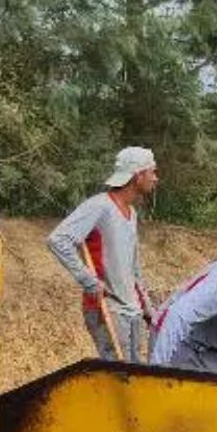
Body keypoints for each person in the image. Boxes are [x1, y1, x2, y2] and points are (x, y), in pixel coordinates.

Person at [47, 146, 159, 362]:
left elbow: (133, 267)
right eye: (152, 172)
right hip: (108, 308)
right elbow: (58, 240)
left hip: (132, 311)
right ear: (137, 176)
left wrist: (146, 306)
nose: (156, 178)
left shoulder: (132, 213)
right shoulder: (99, 206)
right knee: (119, 381)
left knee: (135, 380)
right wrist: (89, 281)